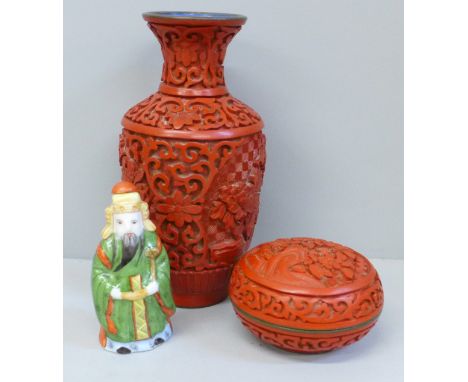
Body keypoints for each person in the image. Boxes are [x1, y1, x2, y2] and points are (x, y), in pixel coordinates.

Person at [91, 181, 175, 354]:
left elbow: (161, 264)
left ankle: (157, 334)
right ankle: (122, 342)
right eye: (121, 223)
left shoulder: (151, 241)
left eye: (134, 222)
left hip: (148, 292)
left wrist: (157, 283)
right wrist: (111, 291)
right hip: (121, 297)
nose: (128, 228)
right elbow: (99, 275)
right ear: (113, 223)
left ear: (143, 219)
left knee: (154, 319)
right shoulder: (107, 247)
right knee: (124, 323)